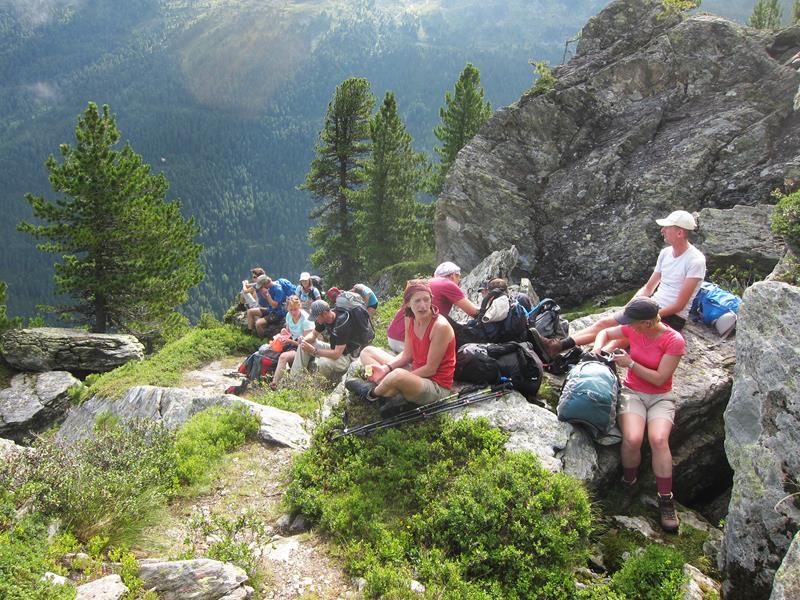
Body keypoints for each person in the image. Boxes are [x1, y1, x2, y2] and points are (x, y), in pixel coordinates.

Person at [540, 210, 706, 359]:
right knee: (604, 323)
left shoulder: (695, 260)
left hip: (671, 317)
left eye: (667, 227)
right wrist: (630, 307)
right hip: (649, 307)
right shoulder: (665, 253)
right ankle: (557, 346)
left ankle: (589, 358)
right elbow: (648, 287)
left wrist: (646, 316)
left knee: (624, 336)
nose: (662, 231)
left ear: (680, 232)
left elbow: (679, 305)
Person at [595, 297, 685, 533]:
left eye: (634, 323)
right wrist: (598, 351)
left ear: (647, 323)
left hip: (660, 397)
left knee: (658, 440)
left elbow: (660, 379)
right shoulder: (633, 328)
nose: (630, 327)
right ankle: (629, 482)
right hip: (632, 392)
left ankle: (666, 499)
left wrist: (630, 363)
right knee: (633, 438)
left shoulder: (674, 340)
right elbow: (605, 333)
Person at [348, 279, 456, 417]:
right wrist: (385, 369)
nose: (423, 306)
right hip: (416, 370)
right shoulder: (409, 318)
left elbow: (431, 369)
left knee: (397, 375)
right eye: (417, 301)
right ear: (408, 304)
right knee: (366, 352)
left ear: (431, 300)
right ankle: (388, 390)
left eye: (426, 299)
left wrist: (393, 376)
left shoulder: (440, 326)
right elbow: (407, 354)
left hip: (435, 385)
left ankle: (371, 393)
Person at [385, 261, 479, 353]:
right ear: (453, 276)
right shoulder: (448, 283)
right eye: (459, 277)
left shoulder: (426, 284)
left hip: (393, 335)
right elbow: (473, 312)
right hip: (406, 341)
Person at [292, 298, 374, 382]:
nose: (316, 320)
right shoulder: (326, 318)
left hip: (347, 357)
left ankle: (319, 385)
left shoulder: (341, 324)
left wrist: (314, 351)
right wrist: (304, 339)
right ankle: (295, 379)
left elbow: (336, 354)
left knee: (322, 363)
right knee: (303, 345)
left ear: (324, 314)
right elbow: (313, 334)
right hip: (335, 349)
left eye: (316, 317)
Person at [270, 295, 314, 389]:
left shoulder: (306, 320)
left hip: (302, 348)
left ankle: (274, 384)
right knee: (270, 349)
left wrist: (289, 340)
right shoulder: (288, 316)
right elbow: (289, 332)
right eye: (291, 310)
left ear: (300, 306)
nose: (293, 312)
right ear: (287, 309)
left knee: (283, 357)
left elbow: (306, 343)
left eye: (295, 309)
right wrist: (284, 332)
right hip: (292, 343)